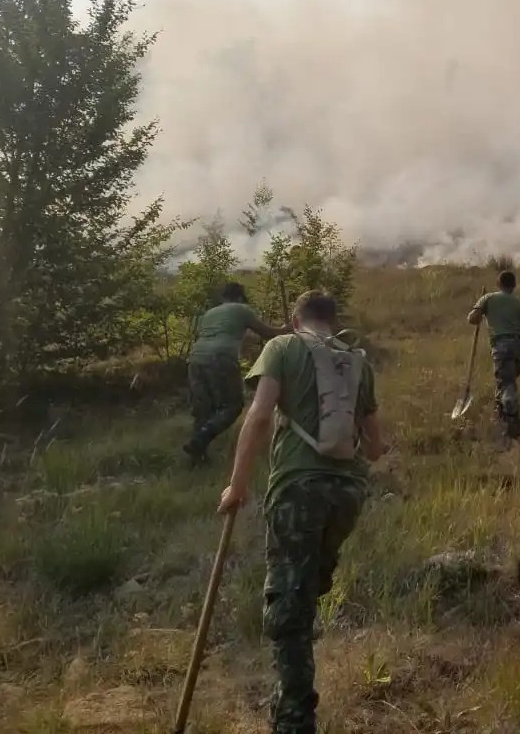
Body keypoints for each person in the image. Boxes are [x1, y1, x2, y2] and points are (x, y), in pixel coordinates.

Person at [218, 290, 385, 734]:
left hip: (298, 489)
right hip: (347, 495)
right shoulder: (358, 362)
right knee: (306, 590)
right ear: (333, 320)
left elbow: (257, 416)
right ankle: (290, 693)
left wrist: (237, 485)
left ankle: (294, 719)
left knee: (289, 609)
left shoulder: (282, 348)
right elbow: (375, 445)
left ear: (296, 320)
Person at [184, 282, 290, 464]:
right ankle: (200, 439)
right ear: (240, 297)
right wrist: (288, 328)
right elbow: (268, 333)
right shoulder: (241, 309)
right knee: (233, 406)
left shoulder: (210, 313)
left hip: (195, 358)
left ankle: (196, 458)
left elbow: (227, 333)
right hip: (221, 358)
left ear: (223, 297)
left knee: (203, 409)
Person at [467, 270, 520, 442]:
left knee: (507, 383)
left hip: (502, 346)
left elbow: (472, 319)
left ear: (498, 284)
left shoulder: (488, 298)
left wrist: (479, 309)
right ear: (514, 286)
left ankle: (513, 427)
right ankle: (500, 412)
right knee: (506, 380)